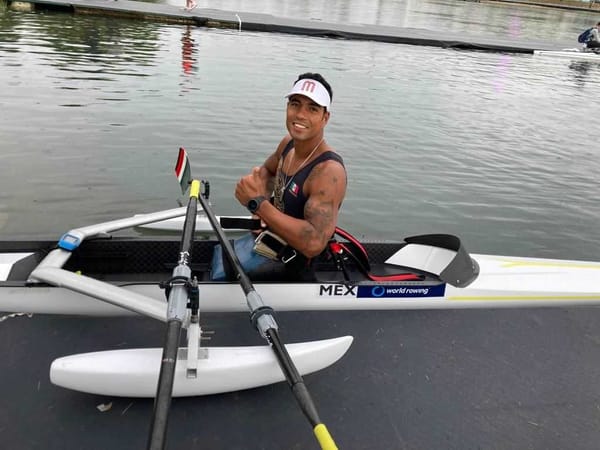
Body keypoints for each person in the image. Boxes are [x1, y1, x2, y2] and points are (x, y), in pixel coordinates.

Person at [233, 72, 347, 279]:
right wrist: (260, 212)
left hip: (297, 270)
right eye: (295, 104)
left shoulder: (329, 172)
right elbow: (266, 172)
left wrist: (258, 205)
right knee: (220, 258)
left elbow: (313, 242)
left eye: (312, 108)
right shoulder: (288, 144)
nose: (300, 115)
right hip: (269, 247)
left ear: (325, 117)